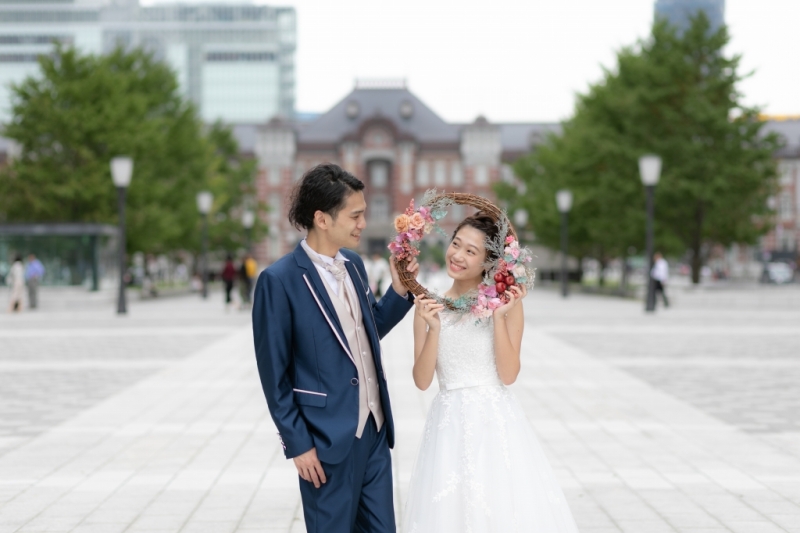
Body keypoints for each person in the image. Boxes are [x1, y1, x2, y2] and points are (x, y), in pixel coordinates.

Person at [252, 164, 419, 533]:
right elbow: (273, 376)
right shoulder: (277, 281)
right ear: (322, 219)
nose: (363, 223)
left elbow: (367, 329)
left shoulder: (355, 265)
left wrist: (400, 290)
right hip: (324, 442)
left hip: (374, 433)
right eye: (356, 215)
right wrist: (298, 444)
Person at [403, 212, 579, 532]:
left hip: (494, 421)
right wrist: (433, 329)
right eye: (456, 244)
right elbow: (422, 380)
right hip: (448, 424)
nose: (457, 255)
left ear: (488, 263)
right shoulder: (428, 305)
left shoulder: (506, 304)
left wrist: (499, 319)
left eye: (471, 251)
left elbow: (509, 374)